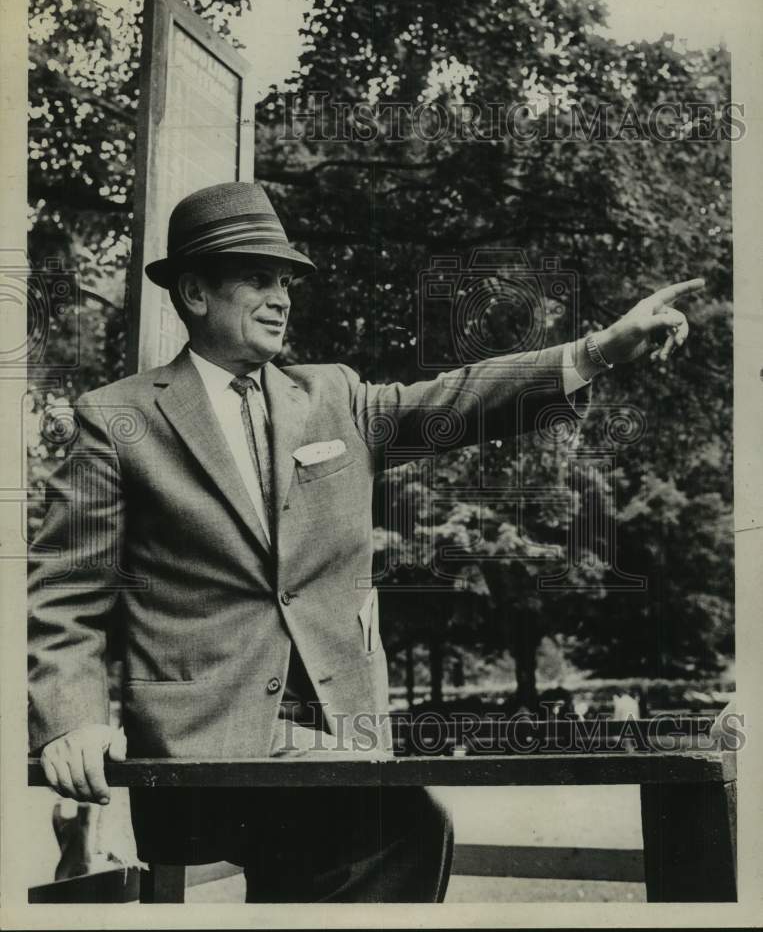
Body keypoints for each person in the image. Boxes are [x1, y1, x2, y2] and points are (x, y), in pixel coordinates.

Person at [28, 180, 703, 902]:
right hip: (201, 754)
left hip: (338, 743)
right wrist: (72, 723)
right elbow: (68, 591)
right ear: (194, 292)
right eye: (258, 277)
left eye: (286, 281)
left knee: (366, 832)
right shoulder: (116, 418)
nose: (282, 296)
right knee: (401, 823)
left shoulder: (333, 396)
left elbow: (456, 400)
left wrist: (597, 350)